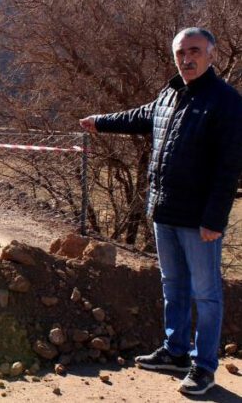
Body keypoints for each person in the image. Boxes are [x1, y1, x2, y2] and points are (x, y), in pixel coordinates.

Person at [79, 27, 242, 396]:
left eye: (195, 51)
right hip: (164, 211)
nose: (187, 59)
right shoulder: (170, 94)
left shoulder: (226, 101)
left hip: (200, 219)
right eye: (181, 52)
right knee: (173, 286)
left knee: (206, 293)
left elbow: (229, 166)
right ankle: (175, 351)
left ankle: (204, 367)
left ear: (211, 55)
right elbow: (140, 117)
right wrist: (100, 121)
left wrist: (214, 220)